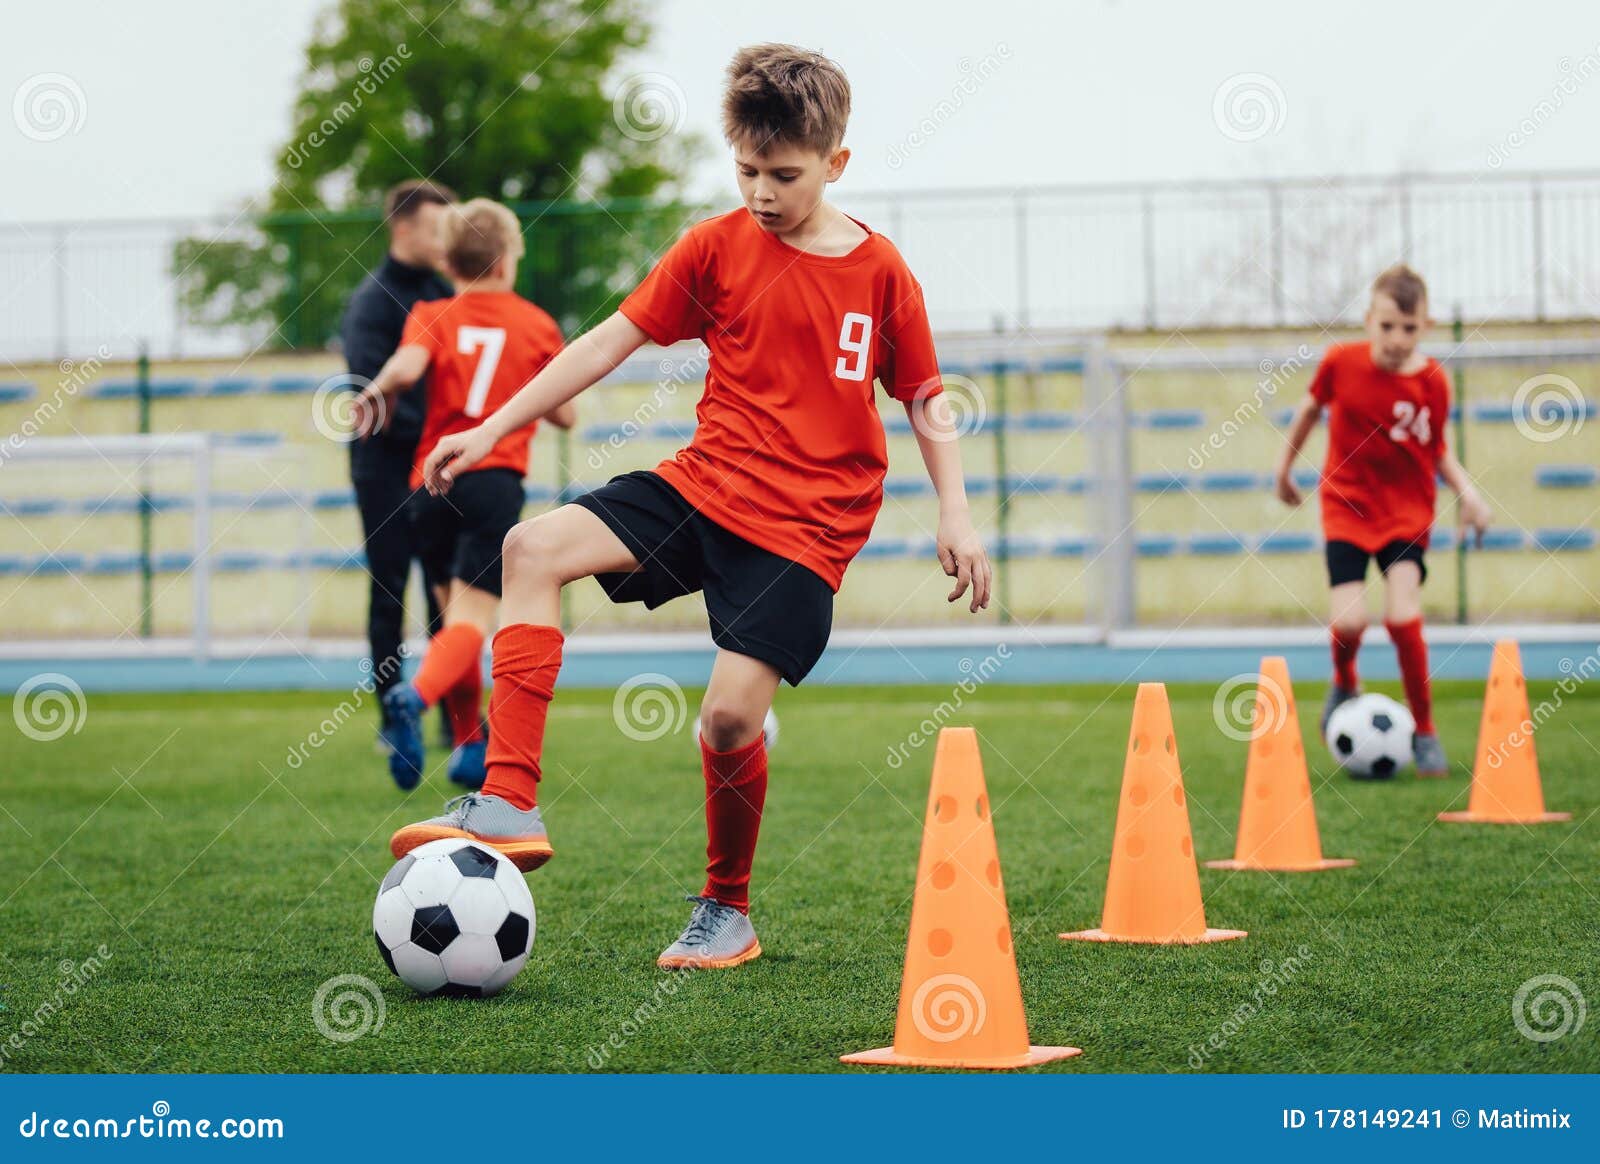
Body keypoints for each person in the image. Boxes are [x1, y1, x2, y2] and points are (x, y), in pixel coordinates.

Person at [389, 43, 993, 970]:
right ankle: (508, 797)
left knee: (726, 723)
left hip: (806, 530)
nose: (761, 191)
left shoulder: (881, 272)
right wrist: (490, 427)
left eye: (784, 175)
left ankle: (728, 909)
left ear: (835, 164)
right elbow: (604, 342)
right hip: (703, 486)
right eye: (746, 169)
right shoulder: (713, 247)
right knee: (529, 548)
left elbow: (923, 394)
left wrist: (955, 511)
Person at [354, 199, 573, 790]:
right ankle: (415, 696)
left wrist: (375, 389)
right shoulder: (535, 323)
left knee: (455, 620)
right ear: (508, 259)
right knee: (474, 622)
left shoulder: (431, 312)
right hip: (494, 477)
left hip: (432, 479)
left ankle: (471, 746)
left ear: (448, 261)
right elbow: (568, 412)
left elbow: (404, 365)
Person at [1274, 264, 1491, 776]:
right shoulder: (1340, 362)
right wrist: (1284, 470)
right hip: (1345, 506)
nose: (1397, 338)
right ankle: (1345, 679)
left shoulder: (1434, 383)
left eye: (1409, 328)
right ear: (1369, 319)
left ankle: (1426, 729)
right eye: (1387, 325)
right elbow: (1307, 412)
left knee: (1400, 616)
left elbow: (1438, 450)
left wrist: (1470, 495)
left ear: (1425, 326)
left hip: (1406, 512)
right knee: (1350, 620)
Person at [341, 180, 457, 746]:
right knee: (389, 589)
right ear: (403, 227)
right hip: (385, 467)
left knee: (445, 589)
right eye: (437, 228)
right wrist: (440, 429)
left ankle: (445, 715)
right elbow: (371, 396)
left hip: (436, 464)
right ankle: (393, 719)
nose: (445, 239)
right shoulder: (371, 301)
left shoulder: (445, 290)